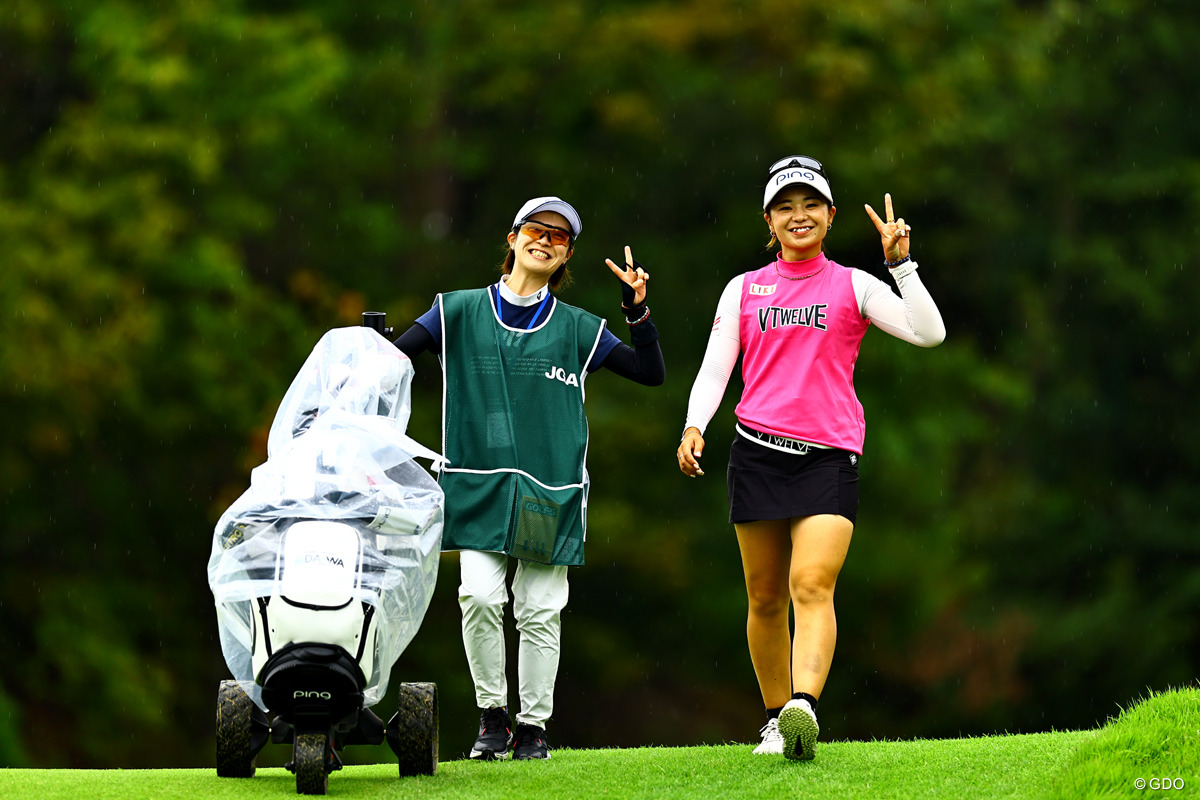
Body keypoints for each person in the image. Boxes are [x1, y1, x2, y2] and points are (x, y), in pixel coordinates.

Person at [676, 156, 945, 761]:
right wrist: (695, 425)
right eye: (785, 207)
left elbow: (928, 333)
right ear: (769, 221)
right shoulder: (744, 287)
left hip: (827, 458)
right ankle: (776, 720)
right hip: (755, 454)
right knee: (765, 597)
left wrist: (902, 266)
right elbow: (717, 365)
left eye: (810, 205)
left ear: (829, 215)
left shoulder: (854, 284)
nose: (799, 216)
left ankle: (805, 706)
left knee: (811, 582)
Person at [392, 196, 664, 761]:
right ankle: (492, 719)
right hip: (476, 482)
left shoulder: (578, 328)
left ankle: (533, 727)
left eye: (559, 237)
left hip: (549, 490)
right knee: (479, 597)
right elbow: (394, 358)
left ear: (566, 256)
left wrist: (637, 312)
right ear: (512, 238)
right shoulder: (457, 311)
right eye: (536, 230)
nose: (545, 240)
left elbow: (650, 373)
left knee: (539, 609)